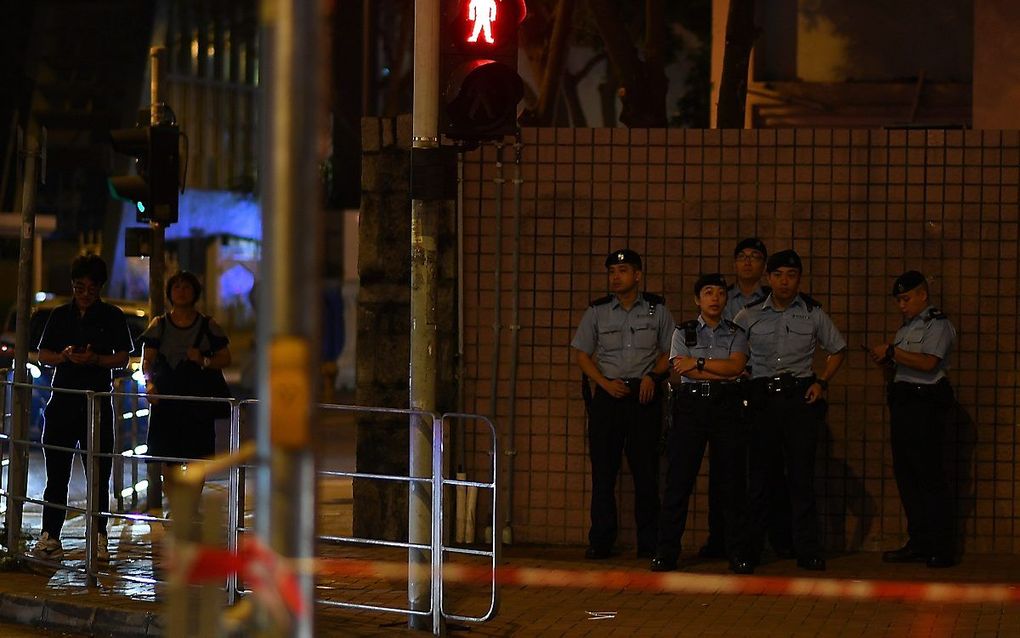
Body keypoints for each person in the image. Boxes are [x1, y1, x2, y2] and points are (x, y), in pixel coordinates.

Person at [734, 249, 846, 571]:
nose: (785, 281)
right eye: (779, 274)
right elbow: (734, 354)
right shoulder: (748, 314)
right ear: (769, 278)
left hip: (799, 401)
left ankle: (807, 550)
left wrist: (821, 382)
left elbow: (837, 348)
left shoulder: (812, 313)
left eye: (791, 275)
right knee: (759, 479)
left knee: (801, 479)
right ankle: (750, 551)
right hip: (762, 401)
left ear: (799, 279)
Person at [571, 248, 674, 559]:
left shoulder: (658, 311)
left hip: (643, 398)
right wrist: (603, 383)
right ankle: (601, 541)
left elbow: (670, 351)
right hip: (608, 396)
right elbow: (582, 355)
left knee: (646, 473)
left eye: (623, 271)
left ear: (638, 275)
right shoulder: (597, 312)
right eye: (612, 272)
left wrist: (653, 378)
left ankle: (650, 542)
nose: (616, 277)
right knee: (603, 473)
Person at [651, 274, 754, 574]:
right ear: (698, 299)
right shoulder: (682, 332)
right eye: (708, 292)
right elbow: (679, 369)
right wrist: (713, 370)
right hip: (690, 407)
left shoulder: (736, 332)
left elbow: (736, 368)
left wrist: (697, 363)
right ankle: (666, 553)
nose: (715, 298)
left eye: (720, 293)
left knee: (732, 482)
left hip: (727, 406)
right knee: (678, 481)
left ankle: (738, 552)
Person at [32, 254, 133, 562]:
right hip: (62, 401)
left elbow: (124, 357)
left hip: (97, 404)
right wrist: (64, 356)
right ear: (72, 286)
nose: (85, 293)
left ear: (99, 287)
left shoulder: (112, 316)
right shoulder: (60, 315)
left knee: (98, 473)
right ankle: (50, 535)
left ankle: (99, 536)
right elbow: (42, 354)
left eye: (91, 288)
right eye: (79, 287)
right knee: (56, 473)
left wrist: (97, 360)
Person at [699, 238, 793, 561]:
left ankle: (772, 538)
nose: (748, 262)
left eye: (755, 257)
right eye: (742, 257)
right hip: (728, 389)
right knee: (725, 468)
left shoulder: (775, 298)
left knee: (769, 467)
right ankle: (720, 538)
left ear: (765, 267)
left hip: (762, 390)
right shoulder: (721, 297)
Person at [868, 271, 957, 568]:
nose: (901, 305)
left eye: (906, 298)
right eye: (898, 300)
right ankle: (919, 541)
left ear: (923, 295)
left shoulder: (937, 324)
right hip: (905, 404)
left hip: (925, 405)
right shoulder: (905, 329)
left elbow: (929, 363)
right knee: (907, 477)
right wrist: (889, 359)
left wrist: (894, 351)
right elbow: (904, 363)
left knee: (929, 476)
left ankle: (941, 547)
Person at [141, 271, 231, 498]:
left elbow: (225, 357)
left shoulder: (208, 325)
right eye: (177, 287)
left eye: (187, 287)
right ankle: (176, 508)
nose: (181, 291)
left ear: (195, 292)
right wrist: (149, 384)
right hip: (167, 402)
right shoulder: (159, 324)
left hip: (197, 403)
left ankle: (190, 507)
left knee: (197, 459)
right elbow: (147, 360)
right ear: (170, 292)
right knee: (168, 462)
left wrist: (203, 359)